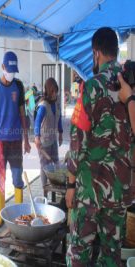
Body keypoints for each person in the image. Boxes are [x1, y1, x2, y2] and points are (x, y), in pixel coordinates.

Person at [65, 27, 135, 267]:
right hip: (119, 192)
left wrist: (71, 184)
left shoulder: (91, 87)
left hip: (89, 192)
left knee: (79, 253)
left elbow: (77, 143)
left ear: (96, 53)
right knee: (111, 255)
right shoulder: (131, 88)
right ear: (115, 52)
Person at [0, 51, 31, 228]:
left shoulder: (19, 86)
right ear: (3, 67)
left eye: (14, 70)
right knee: (0, 178)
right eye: (9, 70)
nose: (11, 74)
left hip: (15, 141)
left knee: (17, 177)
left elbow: (22, 113)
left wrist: (26, 139)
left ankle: (19, 214)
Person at [34, 78, 63, 193]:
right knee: (45, 166)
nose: (55, 94)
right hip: (44, 142)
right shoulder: (43, 106)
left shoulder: (56, 103)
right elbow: (37, 122)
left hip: (53, 140)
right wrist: (36, 137)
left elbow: (59, 118)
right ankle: (44, 192)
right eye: (53, 91)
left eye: (56, 91)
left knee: (56, 163)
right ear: (48, 91)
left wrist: (60, 133)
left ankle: (55, 189)